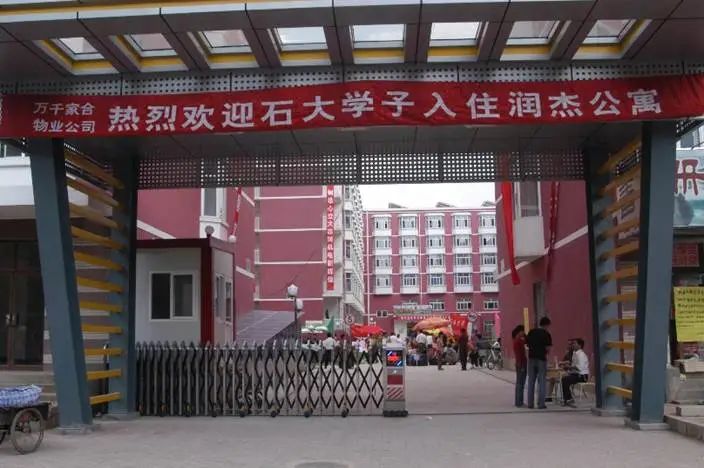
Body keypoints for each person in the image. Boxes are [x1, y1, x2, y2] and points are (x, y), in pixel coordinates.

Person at [526, 317, 552, 409]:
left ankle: (530, 403)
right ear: (547, 325)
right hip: (541, 359)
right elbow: (548, 348)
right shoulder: (546, 334)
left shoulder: (531, 332)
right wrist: (545, 353)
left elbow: (527, 344)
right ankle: (541, 404)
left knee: (531, 381)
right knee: (541, 381)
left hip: (531, 358)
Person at [561, 338, 590, 407]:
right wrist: (568, 368)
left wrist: (569, 367)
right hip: (576, 374)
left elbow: (579, 367)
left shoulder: (581, 355)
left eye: (574, 343)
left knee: (565, 380)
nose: (573, 345)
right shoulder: (575, 353)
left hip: (582, 376)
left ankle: (569, 399)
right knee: (564, 378)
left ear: (580, 345)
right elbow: (573, 365)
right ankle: (567, 399)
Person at [512, 325, 527, 407]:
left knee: (519, 383)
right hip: (521, 363)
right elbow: (519, 355)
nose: (524, 333)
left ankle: (518, 401)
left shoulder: (517, 340)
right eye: (523, 331)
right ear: (520, 331)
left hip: (520, 363)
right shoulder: (518, 341)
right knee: (520, 383)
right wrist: (521, 365)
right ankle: (519, 402)